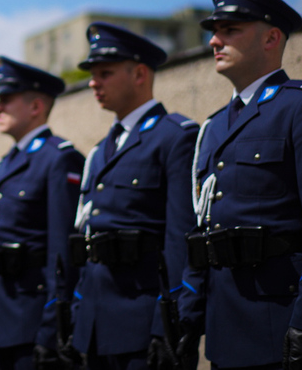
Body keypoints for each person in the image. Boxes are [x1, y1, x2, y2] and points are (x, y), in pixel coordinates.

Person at [184, 0, 302, 369]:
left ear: (271, 38)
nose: (215, 41)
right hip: (225, 331)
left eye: (230, 30)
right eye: (214, 32)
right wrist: (186, 317)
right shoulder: (211, 128)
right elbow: (204, 231)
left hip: (286, 326)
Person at [71, 22, 199, 370]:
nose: (93, 82)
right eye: (92, 74)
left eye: (105, 73)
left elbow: (181, 239)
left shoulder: (176, 137)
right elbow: (89, 239)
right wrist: (78, 314)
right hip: (96, 326)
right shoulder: (100, 151)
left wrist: (169, 323)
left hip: (144, 321)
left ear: (140, 73)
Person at [0, 57, 84, 369]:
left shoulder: (58, 159)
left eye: (6, 100)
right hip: (2, 317)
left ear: (36, 106)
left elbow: (61, 252)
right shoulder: (1, 166)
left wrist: (53, 324)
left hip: (36, 318)